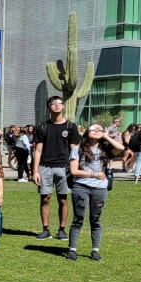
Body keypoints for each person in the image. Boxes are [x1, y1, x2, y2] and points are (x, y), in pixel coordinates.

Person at [67, 122, 123, 262]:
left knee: (96, 220)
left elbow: (120, 148)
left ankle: (95, 251)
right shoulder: (78, 149)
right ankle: (72, 250)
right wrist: (94, 174)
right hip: (81, 186)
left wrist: (106, 136)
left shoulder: (105, 149)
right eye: (93, 129)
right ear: (87, 132)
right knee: (78, 218)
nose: (97, 130)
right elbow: (74, 171)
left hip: (100, 188)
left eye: (100, 129)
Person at [32, 97, 79, 240]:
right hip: (45, 167)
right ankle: (45, 230)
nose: (56, 105)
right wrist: (35, 171)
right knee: (45, 198)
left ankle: (62, 230)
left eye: (59, 103)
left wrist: (76, 169)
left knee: (63, 199)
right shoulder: (42, 127)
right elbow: (38, 151)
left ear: (63, 106)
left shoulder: (70, 126)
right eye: (53, 103)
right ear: (48, 108)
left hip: (64, 168)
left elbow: (75, 150)